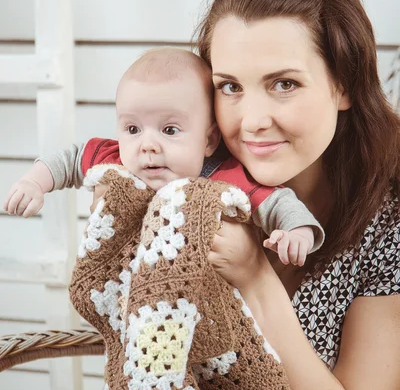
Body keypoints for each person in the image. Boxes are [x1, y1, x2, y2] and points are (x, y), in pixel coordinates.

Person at [10, 0, 400, 390]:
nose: (251, 120)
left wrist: (256, 278)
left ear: (344, 86)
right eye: (230, 86)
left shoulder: (386, 221)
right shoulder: (195, 193)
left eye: (283, 83)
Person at [4, 47, 324, 266]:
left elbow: (277, 203)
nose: (148, 145)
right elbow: (71, 160)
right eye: (132, 128)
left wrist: (297, 232)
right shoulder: (115, 160)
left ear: (209, 140)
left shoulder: (222, 179)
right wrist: (35, 182)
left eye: (169, 130)